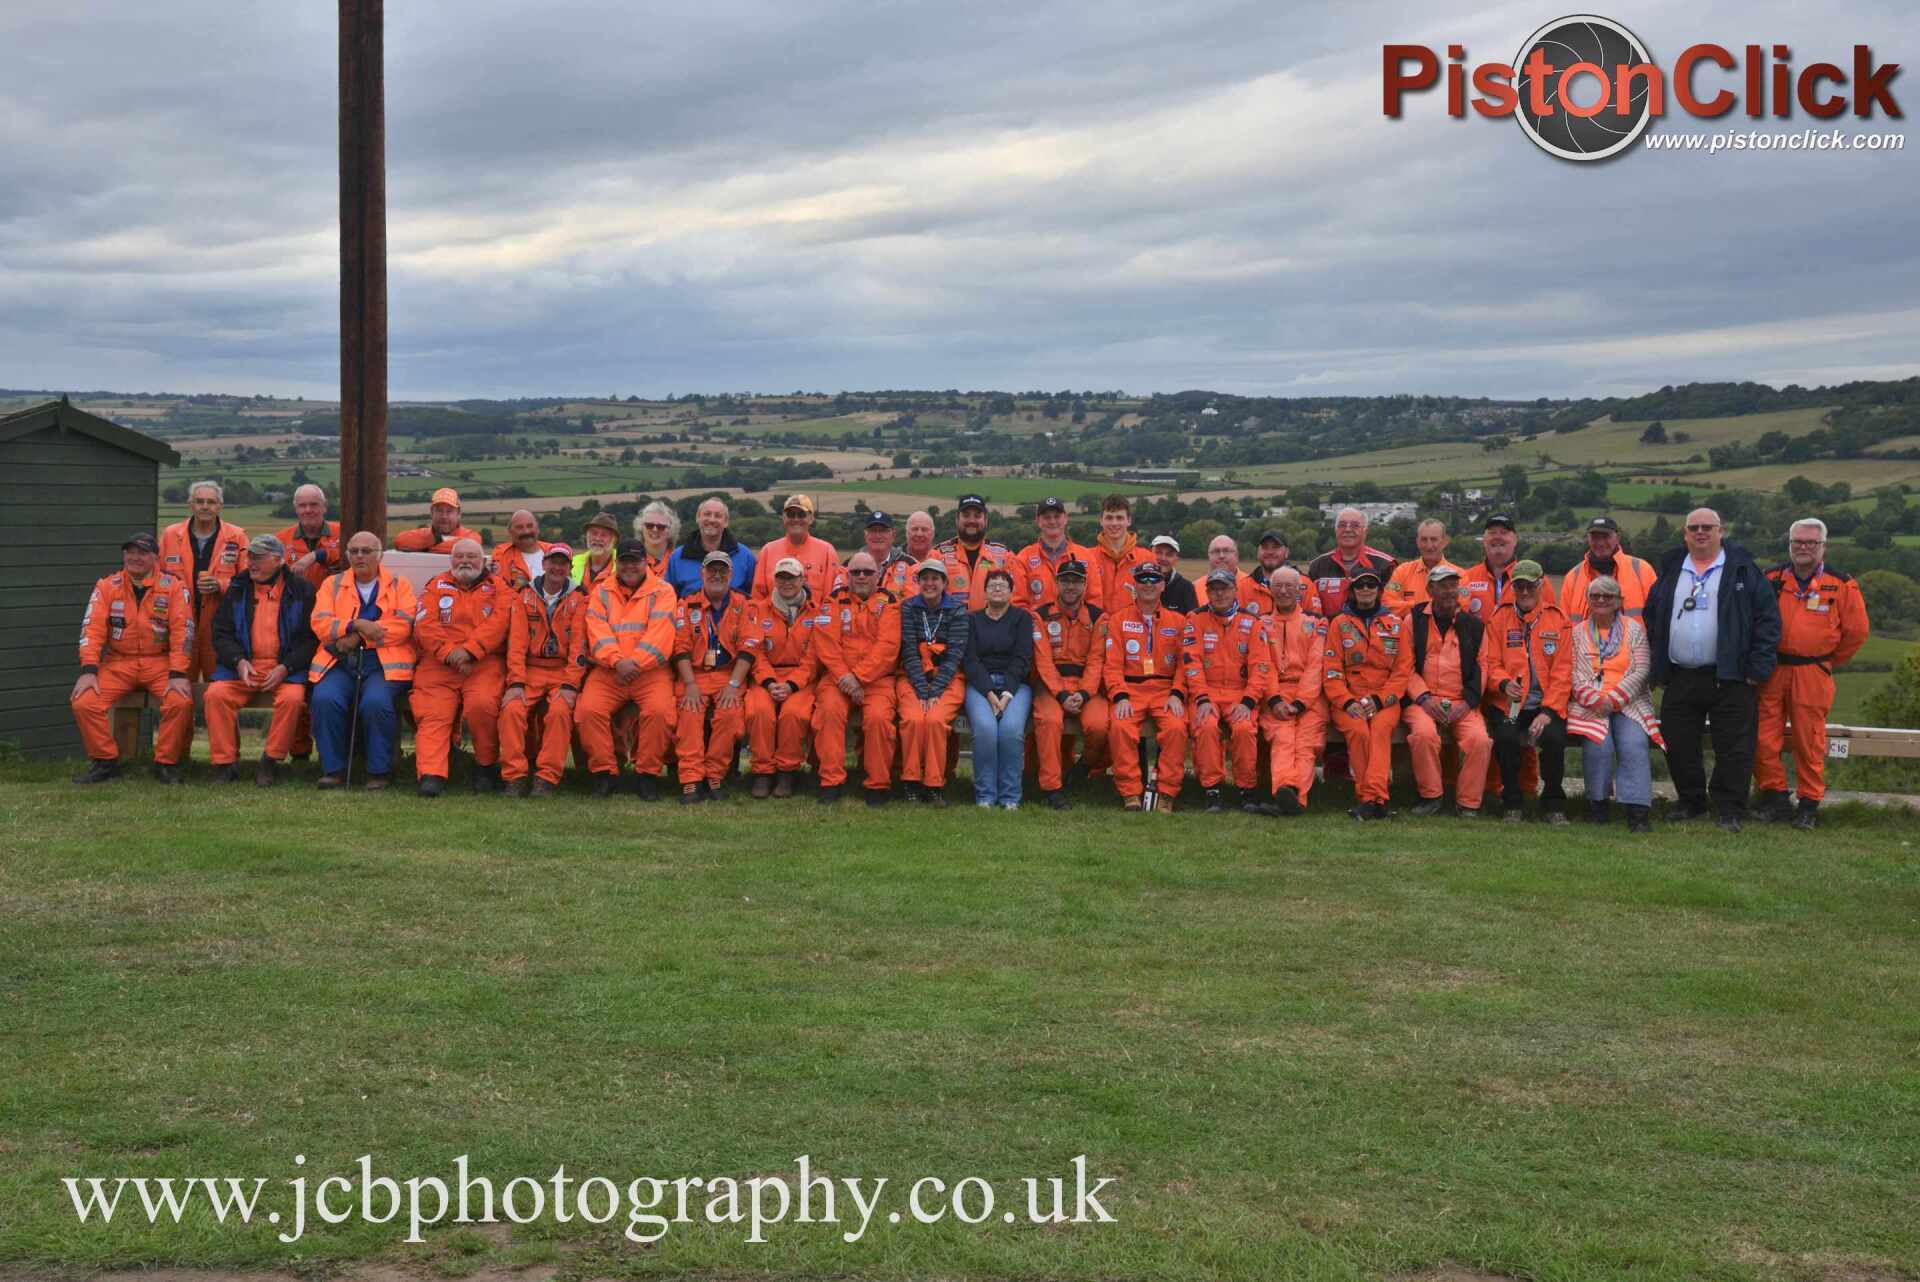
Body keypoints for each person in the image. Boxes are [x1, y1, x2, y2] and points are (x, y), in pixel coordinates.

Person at [1645, 508, 1781, 832]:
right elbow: (1652, 615)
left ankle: (1730, 807)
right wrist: (1658, 662)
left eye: (1708, 527)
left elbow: (1768, 620)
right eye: (1694, 528)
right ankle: (1690, 802)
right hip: (1681, 674)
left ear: (1721, 531)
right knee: (1678, 743)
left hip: (1731, 675)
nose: (1701, 532)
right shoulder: (1671, 569)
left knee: (1734, 747)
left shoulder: (1743, 569)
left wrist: (1757, 668)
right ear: (1685, 533)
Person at [1754, 518, 1869, 829]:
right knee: (1763, 738)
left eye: (1810, 543)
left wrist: (1826, 661)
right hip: (1772, 669)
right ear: (1789, 544)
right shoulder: (1770, 578)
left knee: (1810, 740)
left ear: (1823, 547)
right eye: (1797, 542)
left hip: (1812, 672)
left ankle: (1809, 803)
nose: (1803, 547)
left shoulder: (1841, 584)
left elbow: (1857, 632)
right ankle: (1775, 798)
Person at [69, 533, 194, 784]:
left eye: (143, 553)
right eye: (130, 552)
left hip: (160, 662)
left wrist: (178, 673)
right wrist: (89, 669)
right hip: (118, 662)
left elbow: (185, 631)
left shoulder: (173, 586)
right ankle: (105, 762)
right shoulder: (107, 585)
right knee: (84, 702)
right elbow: (91, 629)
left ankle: (165, 763)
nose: (135, 558)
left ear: (155, 558)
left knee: (180, 702)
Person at [309, 532, 418, 790]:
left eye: (366, 551)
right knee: (324, 699)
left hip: (383, 664)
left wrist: (358, 637)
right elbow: (320, 623)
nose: (360, 556)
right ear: (347, 555)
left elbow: (404, 625)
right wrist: (355, 624)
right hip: (340, 661)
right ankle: (333, 770)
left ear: (379, 555)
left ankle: (379, 772)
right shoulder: (331, 585)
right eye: (354, 551)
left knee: (376, 703)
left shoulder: (399, 585)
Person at [206, 534, 316, 787]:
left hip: (284, 669)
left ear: (278, 560)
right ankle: (225, 764)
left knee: (292, 699)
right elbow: (221, 632)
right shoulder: (237, 587)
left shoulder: (302, 590)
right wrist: (238, 662)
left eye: (258, 557)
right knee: (215, 695)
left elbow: (310, 639)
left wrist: (285, 667)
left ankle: (270, 760)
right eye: (250, 557)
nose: (251, 563)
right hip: (243, 668)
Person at [578, 539, 679, 799]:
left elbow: (661, 634)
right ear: (617, 563)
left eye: (635, 561)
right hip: (609, 671)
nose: (630, 566)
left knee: (659, 713)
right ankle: (605, 773)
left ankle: (647, 775)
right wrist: (616, 661)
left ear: (645, 562)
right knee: (588, 711)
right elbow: (596, 631)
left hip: (651, 671)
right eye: (624, 561)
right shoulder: (601, 592)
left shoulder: (663, 591)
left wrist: (633, 664)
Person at [411, 539, 511, 796]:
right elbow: (425, 624)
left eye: (471, 556)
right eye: (459, 556)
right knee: (433, 712)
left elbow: (499, 624)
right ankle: (431, 774)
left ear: (484, 561)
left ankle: (485, 767)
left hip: (483, 663)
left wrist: (469, 651)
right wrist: (449, 654)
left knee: (483, 706)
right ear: (451, 560)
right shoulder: (435, 585)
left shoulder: (499, 588)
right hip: (438, 663)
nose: (465, 561)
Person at [1567, 575, 1659, 834]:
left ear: (1619, 601)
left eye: (1608, 595)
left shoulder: (1635, 630)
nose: (1601, 600)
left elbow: (1641, 670)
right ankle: (1597, 806)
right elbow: (1573, 674)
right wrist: (1597, 700)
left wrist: (1614, 699)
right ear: (1588, 600)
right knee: (1598, 744)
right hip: (1590, 706)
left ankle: (1637, 811)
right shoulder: (1577, 633)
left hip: (1629, 703)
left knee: (1634, 744)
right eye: (1595, 595)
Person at [1485, 560, 1573, 824]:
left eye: (1530, 586)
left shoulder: (1558, 620)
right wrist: (1502, 683)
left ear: (1541, 585)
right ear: (1512, 587)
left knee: (1555, 740)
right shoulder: (1498, 618)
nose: (1524, 592)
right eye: (1519, 586)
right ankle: (1512, 802)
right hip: (1508, 702)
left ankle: (1553, 804)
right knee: (1506, 739)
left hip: (1545, 704)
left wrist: (1548, 711)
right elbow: (1490, 663)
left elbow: (1563, 671)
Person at [812, 550, 902, 806]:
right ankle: (831, 781)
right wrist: (847, 679)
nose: (861, 576)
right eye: (856, 572)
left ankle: (877, 784)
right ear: (847, 575)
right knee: (828, 712)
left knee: (878, 719)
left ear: (878, 576)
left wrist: (859, 678)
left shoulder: (890, 602)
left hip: (877, 680)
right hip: (837, 679)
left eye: (868, 572)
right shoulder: (832, 601)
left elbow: (888, 647)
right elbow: (826, 645)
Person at [1401, 565, 1492, 818]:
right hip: (1423, 701)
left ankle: (1468, 804)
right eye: (1442, 585)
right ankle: (1431, 796)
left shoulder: (1474, 625)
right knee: (1423, 734)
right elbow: (1404, 667)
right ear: (1430, 589)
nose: (1449, 591)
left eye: (1453, 585)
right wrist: (1423, 698)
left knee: (1480, 741)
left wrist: (1468, 702)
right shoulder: (1414, 619)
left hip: (1462, 702)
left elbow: (1483, 667)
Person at [499, 544, 587, 797]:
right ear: (544, 564)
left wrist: (571, 686)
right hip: (530, 670)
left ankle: (546, 778)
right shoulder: (523, 596)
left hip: (562, 671)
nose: (557, 567)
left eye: (563, 563)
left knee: (560, 711)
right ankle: (514, 776)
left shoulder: (579, 599)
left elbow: (579, 648)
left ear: (570, 568)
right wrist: (515, 683)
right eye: (553, 562)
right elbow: (515, 644)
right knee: (511, 709)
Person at [1322, 569, 1410, 820]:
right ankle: (1374, 799)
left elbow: (1402, 671)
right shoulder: (1338, 624)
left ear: (1379, 590)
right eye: (1360, 585)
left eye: (1372, 585)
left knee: (1380, 731)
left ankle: (1371, 799)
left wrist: (1381, 700)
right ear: (1352, 591)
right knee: (1359, 732)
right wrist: (1347, 701)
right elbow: (1331, 670)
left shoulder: (1395, 624)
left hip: (1384, 698)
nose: (1366, 589)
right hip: (1348, 698)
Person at [1183, 569, 1274, 811]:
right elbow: (1191, 664)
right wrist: (1201, 698)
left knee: (1244, 728)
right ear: (1207, 592)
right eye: (1213, 589)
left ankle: (1247, 789)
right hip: (1206, 692)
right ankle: (1212, 788)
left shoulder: (1252, 622)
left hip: (1239, 694)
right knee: (1207, 726)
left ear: (1235, 590)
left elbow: (1261, 667)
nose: (1219, 593)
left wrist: (1248, 701)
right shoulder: (1195, 619)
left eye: (1224, 588)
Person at [670, 550, 756, 803]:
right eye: (711, 570)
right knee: (689, 713)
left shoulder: (743, 604)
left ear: (731, 574)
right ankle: (690, 779)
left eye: (722, 571)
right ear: (702, 573)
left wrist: (733, 684)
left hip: (728, 674)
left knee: (729, 715)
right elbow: (680, 647)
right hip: (693, 674)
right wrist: (689, 685)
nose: (716, 575)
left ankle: (715, 775)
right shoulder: (687, 604)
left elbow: (748, 648)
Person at [1104, 562, 1188, 813]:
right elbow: (1112, 665)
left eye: (1154, 580)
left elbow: (1186, 665)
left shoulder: (1180, 621)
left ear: (1163, 585)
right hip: (1131, 689)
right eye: (1143, 580)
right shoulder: (1119, 620)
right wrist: (1119, 696)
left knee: (1176, 728)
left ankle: (1166, 793)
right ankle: (1130, 793)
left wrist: (1177, 693)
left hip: (1165, 690)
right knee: (1120, 727)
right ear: (1135, 586)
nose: (1148, 585)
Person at [1029, 558, 1108, 811]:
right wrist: (1062, 694)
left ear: (1084, 584)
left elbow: (1097, 660)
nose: (1070, 586)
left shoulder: (1098, 617)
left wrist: (1084, 694)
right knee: (1050, 722)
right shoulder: (1040, 615)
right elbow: (1043, 661)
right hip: (1050, 686)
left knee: (1099, 725)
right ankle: (1052, 789)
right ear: (1056, 583)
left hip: (1086, 686)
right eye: (1065, 580)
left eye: (1076, 581)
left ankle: (1083, 767)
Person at [743, 558, 823, 798]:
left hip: (801, 679)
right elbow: (754, 651)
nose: (787, 582)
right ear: (774, 580)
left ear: (802, 579)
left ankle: (787, 773)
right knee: (759, 712)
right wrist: (769, 682)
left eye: (792, 577)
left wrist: (791, 684)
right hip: (765, 677)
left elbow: (814, 656)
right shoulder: (757, 609)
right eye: (782, 577)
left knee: (794, 714)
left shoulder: (817, 611)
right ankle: (762, 772)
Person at [159, 479, 248, 682]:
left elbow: (248, 582)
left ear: (220, 505)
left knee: (219, 690)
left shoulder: (237, 536)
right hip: (179, 626)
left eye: (211, 502)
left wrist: (221, 585)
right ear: (190, 504)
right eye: (199, 501)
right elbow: (158, 578)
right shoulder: (171, 535)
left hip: (220, 628)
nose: (205, 506)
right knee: (179, 689)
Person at [897, 559, 969, 807]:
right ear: (918, 582)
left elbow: (956, 654)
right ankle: (910, 783)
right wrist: (922, 689)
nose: (929, 583)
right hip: (912, 677)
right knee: (914, 719)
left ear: (945, 583)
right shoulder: (907, 608)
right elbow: (908, 651)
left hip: (948, 678)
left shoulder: (958, 610)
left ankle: (935, 784)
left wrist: (935, 689)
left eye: (935, 578)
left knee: (936, 721)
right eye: (924, 578)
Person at [963, 567, 1035, 809]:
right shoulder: (972, 619)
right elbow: (971, 660)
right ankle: (985, 795)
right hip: (981, 685)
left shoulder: (1022, 618)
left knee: (1011, 730)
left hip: (1015, 685)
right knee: (985, 730)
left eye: (1002, 585)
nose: (996, 588)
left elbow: (1022, 658)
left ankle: (1010, 796)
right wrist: (990, 693)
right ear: (984, 591)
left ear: (1011, 591)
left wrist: (1005, 694)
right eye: (992, 584)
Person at [1257, 567, 1326, 816]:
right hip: (1274, 693)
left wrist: (1300, 703)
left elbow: (1315, 666)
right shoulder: (1261, 624)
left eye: (1289, 586)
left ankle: (1296, 796)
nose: (1284, 591)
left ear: (1299, 590)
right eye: (1278, 586)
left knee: (1306, 742)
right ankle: (1286, 789)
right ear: (1270, 589)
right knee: (1283, 737)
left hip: (1311, 696)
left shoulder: (1316, 623)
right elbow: (1264, 665)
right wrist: (1275, 700)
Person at [1558, 516, 1657, 622]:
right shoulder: (1572, 577)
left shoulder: (1643, 570)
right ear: (1588, 539)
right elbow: (1563, 625)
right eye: (1595, 537)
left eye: (1606, 536)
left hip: (1634, 638)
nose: (1600, 543)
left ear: (1618, 538)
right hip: (1583, 639)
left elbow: (1658, 616)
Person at [1307, 507, 1396, 618]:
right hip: (1328, 633)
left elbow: (1392, 605)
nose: (1347, 529)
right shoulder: (1317, 566)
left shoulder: (1385, 564)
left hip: (1372, 632)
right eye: (1342, 525)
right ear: (1336, 531)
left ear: (1365, 532)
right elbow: (1309, 606)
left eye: (1355, 525)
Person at [1013, 496, 1095, 613]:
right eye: (1047, 517)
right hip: (1037, 628)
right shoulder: (1023, 557)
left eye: (1057, 516)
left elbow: (1094, 599)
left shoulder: (1086, 556)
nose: (1052, 521)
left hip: (1077, 628)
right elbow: (1018, 603)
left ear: (1065, 518)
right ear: (1038, 521)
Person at [752, 494, 838, 602]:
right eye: (791, 514)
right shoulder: (767, 551)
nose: (796, 519)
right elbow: (757, 598)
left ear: (811, 518)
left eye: (801, 514)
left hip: (815, 617)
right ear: (783, 518)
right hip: (774, 617)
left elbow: (830, 599)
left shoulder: (827, 551)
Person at [933, 494, 1015, 607]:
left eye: (977, 516)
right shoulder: (937, 555)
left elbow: (1015, 600)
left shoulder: (1004, 556)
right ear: (957, 519)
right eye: (966, 515)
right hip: (950, 624)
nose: (972, 520)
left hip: (992, 623)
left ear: (986, 520)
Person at [666, 496, 757, 598]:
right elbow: (669, 599)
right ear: (698, 518)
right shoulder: (677, 558)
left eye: (718, 516)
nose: (712, 519)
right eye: (707, 514)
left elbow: (754, 598)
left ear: (726, 522)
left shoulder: (745, 557)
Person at [1087, 494, 1154, 613]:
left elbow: (1155, 602)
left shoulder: (1147, 559)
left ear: (1129, 521)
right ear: (1101, 520)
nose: (1114, 523)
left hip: (1133, 629)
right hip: (1096, 628)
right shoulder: (1087, 557)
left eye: (1119, 518)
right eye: (1109, 518)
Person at [1384, 519, 1461, 616]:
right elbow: (1388, 604)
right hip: (1409, 630)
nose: (1429, 546)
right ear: (1417, 542)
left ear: (1445, 541)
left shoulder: (1459, 574)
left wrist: (1411, 606)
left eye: (1434, 539)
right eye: (1424, 539)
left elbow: (1461, 607)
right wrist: (1433, 607)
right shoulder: (1402, 571)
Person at [278, 483, 344, 589]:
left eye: (314, 504)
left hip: (334, 602)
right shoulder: (281, 539)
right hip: (296, 603)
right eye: (302, 505)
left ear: (324, 507)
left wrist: (316, 555)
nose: (308, 510)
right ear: (296, 509)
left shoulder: (343, 533)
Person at [1459, 513, 1522, 621]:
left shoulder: (1536, 579)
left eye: (1504, 532)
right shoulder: (1465, 578)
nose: (1497, 537)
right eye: (1492, 533)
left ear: (1516, 539)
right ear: (1484, 540)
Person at [850, 511, 917, 598]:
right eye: (873, 531)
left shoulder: (911, 566)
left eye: (883, 531)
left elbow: (914, 602)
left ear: (893, 535)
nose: (878, 536)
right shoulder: (849, 565)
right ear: (865, 535)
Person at [393, 487, 479, 554]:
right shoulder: (424, 533)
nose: (444, 516)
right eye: (439, 511)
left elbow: (470, 546)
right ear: (431, 512)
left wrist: (427, 547)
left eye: (449, 511)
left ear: (458, 514)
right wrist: (436, 540)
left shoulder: (471, 536)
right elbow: (400, 541)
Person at [495, 509, 562, 590]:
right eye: (519, 527)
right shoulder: (502, 556)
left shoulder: (555, 551)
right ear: (510, 531)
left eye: (530, 526)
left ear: (537, 528)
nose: (526, 531)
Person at [572, 513, 622, 591]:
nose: (598, 538)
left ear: (614, 540)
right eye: (594, 533)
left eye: (604, 535)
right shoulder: (572, 562)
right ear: (586, 536)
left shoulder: (623, 566)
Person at [1151, 535, 1198, 612]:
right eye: (1158, 552)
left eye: (1169, 555)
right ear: (1148, 553)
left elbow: (1193, 620)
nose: (1163, 558)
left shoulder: (1186, 588)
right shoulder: (1137, 582)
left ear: (1176, 560)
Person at [634, 501, 678, 578]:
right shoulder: (630, 560)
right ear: (641, 528)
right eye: (649, 525)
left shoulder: (678, 561)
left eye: (661, 527)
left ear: (671, 530)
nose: (655, 530)